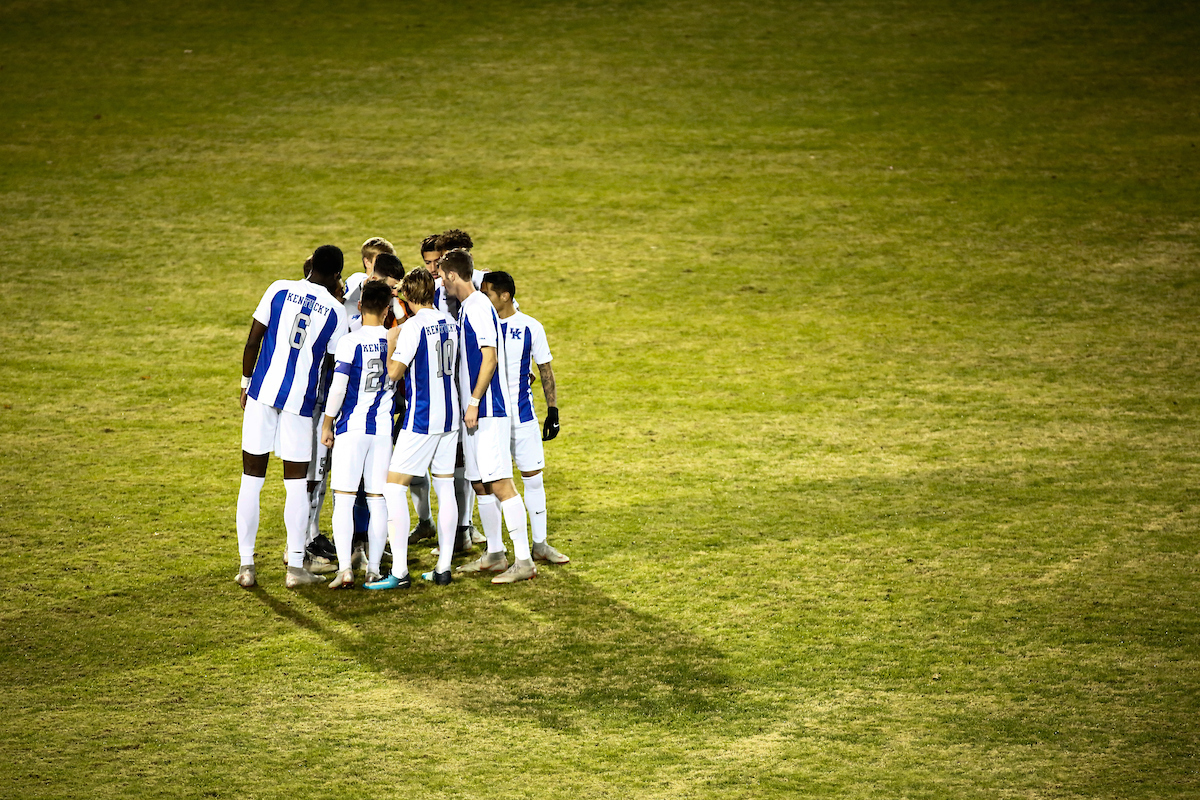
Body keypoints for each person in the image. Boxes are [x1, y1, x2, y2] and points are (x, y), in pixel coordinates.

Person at [235, 244, 347, 588]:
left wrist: (245, 382)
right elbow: (331, 366)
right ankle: (296, 568)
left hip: (262, 394)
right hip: (300, 405)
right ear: (337, 275)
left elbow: (253, 340)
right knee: (296, 486)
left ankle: (246, 566)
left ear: (311, 264)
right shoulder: (336, 311)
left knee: (251, 481)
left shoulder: (279, 288)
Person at [441, 249, 535, 584]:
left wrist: (474, 401)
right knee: (480, 482)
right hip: (477, 413)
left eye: (441, 275)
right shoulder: (470, 307)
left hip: (488, 411)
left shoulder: (478, 306)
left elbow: (490, 357)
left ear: (452, 276)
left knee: (500, 483)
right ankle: (495, 553)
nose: (441, 282)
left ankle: (524, 561)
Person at [364, 268, 461, 589]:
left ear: (407, 295)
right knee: (444, 486)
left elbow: (393, 373)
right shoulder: (450, 321)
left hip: (422, 418)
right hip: (451, 416)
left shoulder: (414, 327)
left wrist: (388, 347)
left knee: (393, 488)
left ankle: (401, 572)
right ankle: (443, 568)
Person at [480, 271, 569, 564]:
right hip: (491, 419)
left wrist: (552, 411)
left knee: (533, 479)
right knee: (490, 483)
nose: (484, 298)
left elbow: (545, 369)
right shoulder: (481, 325)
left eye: (488, 293)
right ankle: (495, 549)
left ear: (504, 295)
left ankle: (540, 544)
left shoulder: (530, 327)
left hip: (523, 417)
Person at [320, 279, 396, 588]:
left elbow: (338, 387)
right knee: (378, 500)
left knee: (345, 498)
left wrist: (327, 423)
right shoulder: (395, 340)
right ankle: (374, 569)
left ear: (361, 306)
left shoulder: (350, 342)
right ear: (387, 309)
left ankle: (344, 569)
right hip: (382, 432)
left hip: (351, 430)